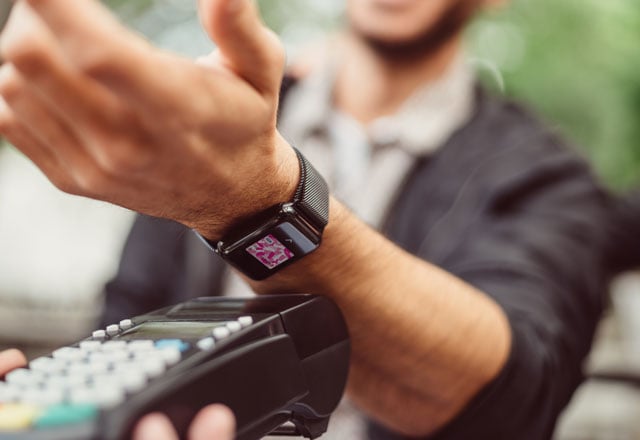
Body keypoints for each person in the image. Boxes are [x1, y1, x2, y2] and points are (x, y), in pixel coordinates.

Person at [0, 0, 613, 439]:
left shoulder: (549, 175)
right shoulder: (209, 121)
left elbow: (515, 398)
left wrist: (256, 202)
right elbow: (123, 317)